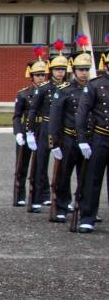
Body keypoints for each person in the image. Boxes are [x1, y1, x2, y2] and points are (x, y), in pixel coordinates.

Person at [48, 45, 90, 222]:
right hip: (68, 139)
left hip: (87, 140)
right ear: (73, 70)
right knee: (64, 176)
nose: (84, 73)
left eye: (87, 70)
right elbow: (55, 119)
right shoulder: (64, 90)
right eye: (81, 70)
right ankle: (62, 207)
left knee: (86, 177)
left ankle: (84, 207)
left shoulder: (93, 89)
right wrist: (54, 144)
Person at [26, 40, 69, 213]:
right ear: (51, 71)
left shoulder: (69, 88)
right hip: (45, 128)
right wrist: (29, 131)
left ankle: (62, 199)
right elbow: (33, 110)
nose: (60, 73)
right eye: (57, 70)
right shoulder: (43, 88)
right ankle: (37, 197)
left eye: (63, 70)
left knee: (64, 167)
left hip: (63, 131)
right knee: (40, 165)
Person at [74, 46, 109, 233]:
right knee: (92, 179)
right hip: (100, 137)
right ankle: (87, 217)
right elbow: (82, 113)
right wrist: (82, 139)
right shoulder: (95, 85)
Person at [12, 50, 48, 207]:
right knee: (22, 165)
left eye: (43, 74)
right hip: (27, 131)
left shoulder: (49, 93)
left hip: (42, 130)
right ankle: (19, 195)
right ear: (31, 76)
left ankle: (43, 194)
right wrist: (18, 132)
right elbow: (17, 116)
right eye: (37, 75)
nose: (41, 77)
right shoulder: (23, 94)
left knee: (41, 164)